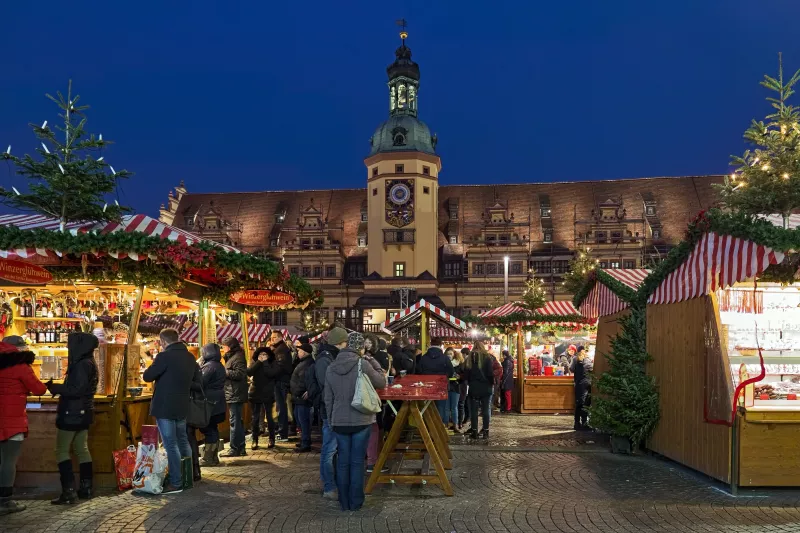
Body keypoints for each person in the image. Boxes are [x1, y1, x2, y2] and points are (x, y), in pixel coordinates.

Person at [324, 332, 387, 512]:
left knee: (343, 461)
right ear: (361, 347)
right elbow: (381, 382)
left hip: (339, 420)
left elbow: (328, 398)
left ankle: (344, 502)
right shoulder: (363, 363)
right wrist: (371, 360)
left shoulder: (331, 367)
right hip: (361, 418)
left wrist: (331, 419)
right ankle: (356, 502)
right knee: (358, 461)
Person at [142, 329, 200, 494]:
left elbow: (147, 376)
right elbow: (196, 379)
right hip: (182, 405)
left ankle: (176, 481)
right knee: (182, 441)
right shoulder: (190, 357)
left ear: (163, 342)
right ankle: (187, 478)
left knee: (171, 444)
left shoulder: (164, 357)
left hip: (165, 406)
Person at [47, 332, 100, 503]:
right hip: (84, 411)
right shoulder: (89, 362)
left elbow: (76, 390)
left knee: (61, 450)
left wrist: (56, 388)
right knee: (81, 448)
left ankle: (68, 492)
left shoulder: (81, 365)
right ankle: (86, 488)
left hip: (72, 412)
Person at [0, 340, 47, 515]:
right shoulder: (20, 365)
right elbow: (39, 390)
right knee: (8, 461)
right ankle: (4, 501)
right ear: (18, 349)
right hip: (13, 422)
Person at [314, 327, 348, 500]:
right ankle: (329, 486)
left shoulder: (332, 357)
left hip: (337, 410)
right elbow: (327, 387)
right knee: (329, 450)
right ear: (339, 343)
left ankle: (335, 483)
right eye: (345, 342)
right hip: (329, 411)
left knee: (334, 449)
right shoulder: (324, 360)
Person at [247, 346, 282, 450]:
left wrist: (265, 363)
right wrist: (258, 362)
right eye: (260, 355)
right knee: (255, 418)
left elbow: (271, 373)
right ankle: (254, 440)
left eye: (264, 354)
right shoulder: (255, 362)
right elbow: (249, 372)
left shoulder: (273, 363)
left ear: (269, 355)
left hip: (268, 393)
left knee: (269, 417)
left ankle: (271, 439)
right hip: (256, 392)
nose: (262, 356)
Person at [364, 334, 390, 472]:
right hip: (367, 400)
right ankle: (372, 462)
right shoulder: (366, 361)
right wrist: (374, 363)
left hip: (347, 407)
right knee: (373, 428)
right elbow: (381, 380)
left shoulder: (337, 362)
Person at [198, 343, 226, 466]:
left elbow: (200, 382)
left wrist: (198, 366)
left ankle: (208, 458)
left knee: (208, 428)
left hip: (209, 402)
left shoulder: (209, 367)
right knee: (213, 428)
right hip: (218, 402)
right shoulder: (218, 365)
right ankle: (213, 457)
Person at [219, 337, 248, 457]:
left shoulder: (238, 357)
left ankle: (234, 448)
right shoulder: (233, 356)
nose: (223, 348)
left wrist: (226, 372)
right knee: (237, 421)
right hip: (233, 392)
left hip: (235, 393)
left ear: (230, 346)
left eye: (224, 345)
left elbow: (240, 374)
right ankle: (240, 447)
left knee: (234, 422)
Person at [416, 337, 454, 425]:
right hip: (441, 386)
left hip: (426, 387)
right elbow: (451, 372)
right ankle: (439, 428)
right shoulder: (445, 358)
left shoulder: (423, 358)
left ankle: (428, 427)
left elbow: (418, 371)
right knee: (441, 407)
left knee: (427, 407)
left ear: (430, 344)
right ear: (441, 345)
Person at [465, 341, 495, 439]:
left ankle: (474, 432)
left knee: (474, 410)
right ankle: (485, 431)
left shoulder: (469, 358)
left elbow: (467, 374)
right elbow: (490, 373)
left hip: (474, 387)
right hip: (486, 387)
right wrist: (491, 383)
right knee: (485, 410)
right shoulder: (487, 357)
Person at [290, 343, 315, 452]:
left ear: (304, 352)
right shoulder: (304, 362)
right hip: (298, 397)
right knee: (301, 419)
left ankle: (306, 442)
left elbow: (304, 381)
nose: (298, 353)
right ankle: (304, 440)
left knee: (304, 420)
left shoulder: (307, 364)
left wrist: (299, 391)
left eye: (299, 351)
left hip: (302, 398)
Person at [270, 330, 294, 440]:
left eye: (274, 337)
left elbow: (280, 366)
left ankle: (283, 433)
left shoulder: (281, 350)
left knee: (281, 407)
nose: (272, 339)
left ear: (280, 337)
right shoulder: (280, 349)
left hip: (280, 381)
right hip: (281, 381)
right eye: (272, 337)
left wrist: (269, 373)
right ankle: (282, 431)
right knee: (281, 407)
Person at [570, 346, 594, 430]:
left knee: (578, 404)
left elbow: (571, 369)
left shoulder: (575, 360)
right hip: (586, 385)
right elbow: (593, 369)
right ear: (585, 352)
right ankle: (584, 423)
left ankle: (577, 423)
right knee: (585, 404)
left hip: (578, 385)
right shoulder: (587, 361)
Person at [445, 348, 463, 433]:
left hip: (455, 387)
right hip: (446, 387)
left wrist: (459, 377)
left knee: (454, 407)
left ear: (454, 354)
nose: (449, 355)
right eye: (447, 354)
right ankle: (446, 424)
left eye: (450, 354)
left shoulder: (458, 364)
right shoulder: (444, 364)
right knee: (446, 407)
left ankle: (455, 425)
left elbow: (461, 376)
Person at [458, 347, 471, 428]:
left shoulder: (466, 361)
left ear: (464, 354)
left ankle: (467, 418)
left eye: (462, 354)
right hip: (467, 384)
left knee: (464, 402)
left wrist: (460, 376)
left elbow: (466, 374)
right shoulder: (469, 361)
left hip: (465, 384)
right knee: (466, 402)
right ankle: (467, 418)